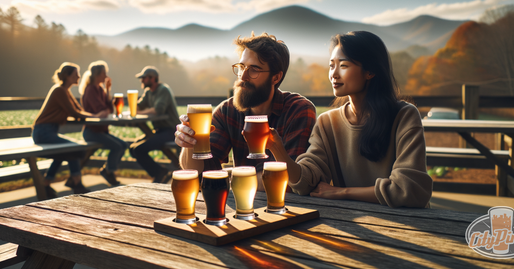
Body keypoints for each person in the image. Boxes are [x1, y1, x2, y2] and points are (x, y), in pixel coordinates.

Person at [266, 31, 433, 208]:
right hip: (354, 220)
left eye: (343, 66)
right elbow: (306, 182)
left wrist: (342, 192)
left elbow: (409, 190)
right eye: (331, 66)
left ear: (370, 71)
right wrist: (278, 150)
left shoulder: (404, 116)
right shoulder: (327, 123)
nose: (334, 75)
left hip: (410, 222)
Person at [175, 32, 317, 178]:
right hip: (240, 198)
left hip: (286, 201)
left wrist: (231, 177)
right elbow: (201, 169)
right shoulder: (228, 110)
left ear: (276, 77)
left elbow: (291, 179)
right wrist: (189, 145)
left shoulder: (298, 110)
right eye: (242, 67)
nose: (243, 76)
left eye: (254, 69)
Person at [32, 62, 108, 199]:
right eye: (76, 74)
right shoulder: (59, 91)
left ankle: (47, 183)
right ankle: (76, 184)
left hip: (48, 131)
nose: (79, 76)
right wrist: (95, 116)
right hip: (43, 132)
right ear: (67, 76)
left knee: (66, 152)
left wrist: (90, 115)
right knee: (75, 149)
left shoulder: (64, 91)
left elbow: (78, 110)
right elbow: (75, 113)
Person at [79, 60, 128, 186]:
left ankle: (108, 170)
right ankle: (109, 172)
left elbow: (109, 110)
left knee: (123, 145)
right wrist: (105, 109)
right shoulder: (90, 90)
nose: (106, 76)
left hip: (100, 131)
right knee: (117, 146)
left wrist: (108, 89)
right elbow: (100, 110)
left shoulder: (100, 89)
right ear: (97, 75)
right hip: (92, 132)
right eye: (104, 73)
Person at [129, 66, 179, 183]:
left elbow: (158, 110)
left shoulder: (163, 90)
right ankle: (159, 172)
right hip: (159, 130)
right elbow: (139, 106)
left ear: (153, 79)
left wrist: (139, 112)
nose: (141, 80)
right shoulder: (148, 92)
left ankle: (160, 173)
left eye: (144, 78)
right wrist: (133, 107)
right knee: (132, 148)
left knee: (138, 150)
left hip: (171, 130)